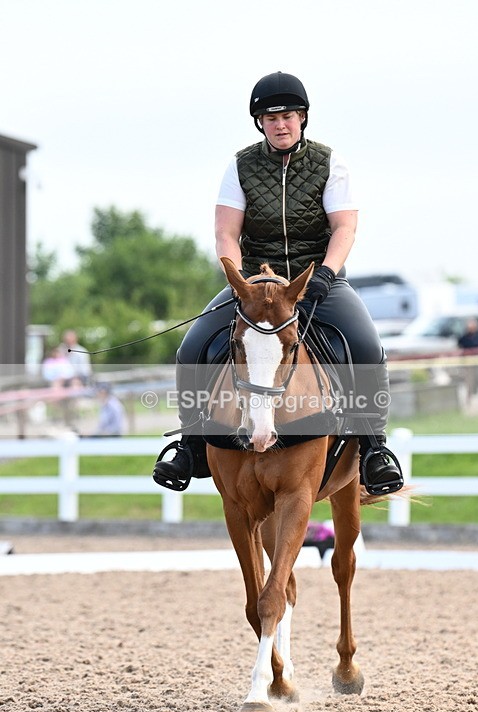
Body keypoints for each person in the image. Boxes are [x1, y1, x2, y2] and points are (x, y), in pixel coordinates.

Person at [153, 71, 403, 495]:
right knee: (192, 348)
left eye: (287, 116)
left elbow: (344, 227)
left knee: (366, 345)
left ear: (302, 118)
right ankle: (190, 445)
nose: (280, 124)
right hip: (254, 285)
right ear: (260, 124)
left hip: (316, 281)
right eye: (270, 119)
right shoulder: (240, 165)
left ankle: (374, 447)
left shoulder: (329, 162)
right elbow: (226, 233)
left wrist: (324, 273)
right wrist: (237, 280)